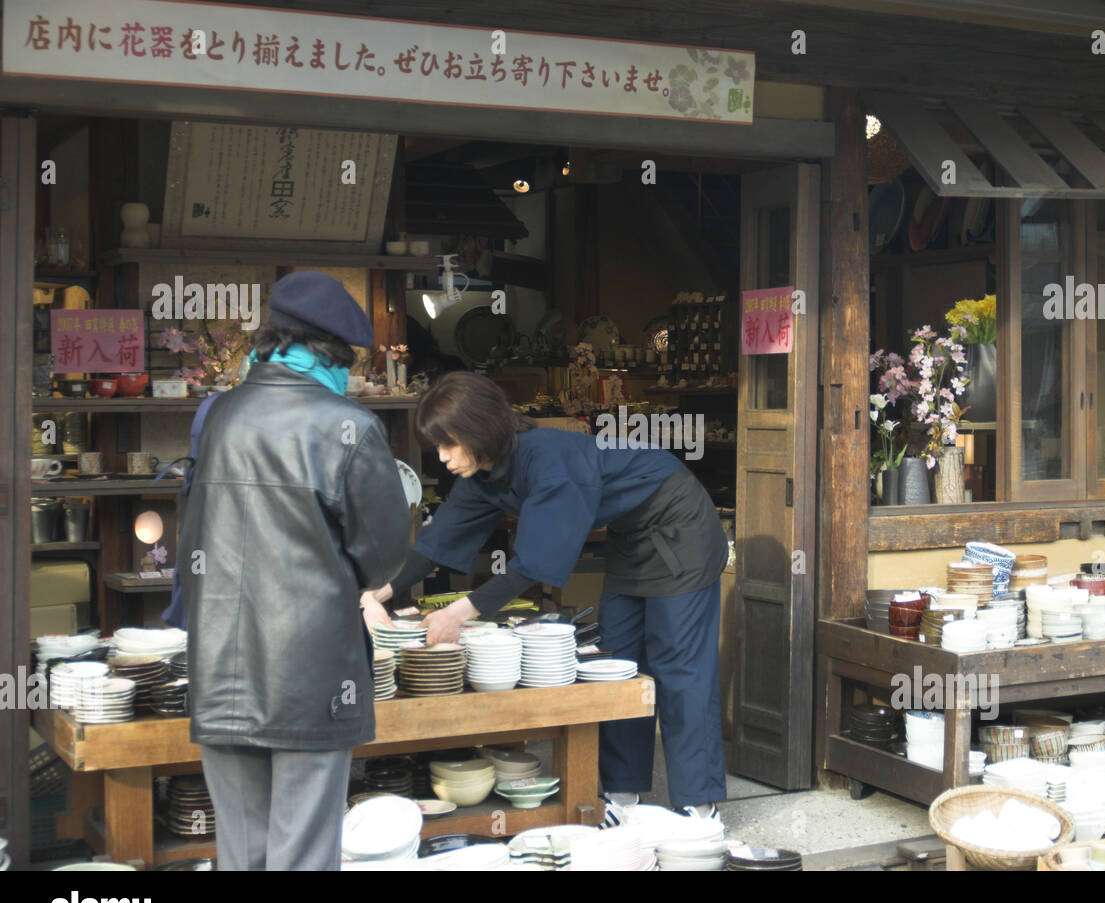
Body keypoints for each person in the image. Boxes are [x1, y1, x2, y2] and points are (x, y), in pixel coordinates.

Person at [360, 371, 729, 824]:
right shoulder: (486, 471)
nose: (443, 457)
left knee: (678, 663)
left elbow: (532, 565)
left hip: (679, 523)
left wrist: (461, 611)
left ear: (480, 432)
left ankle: (699, 804)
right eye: (438, 445)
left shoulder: (548, 459)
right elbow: (435, 544)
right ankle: (622, 795)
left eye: (449, 444)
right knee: (616, 664)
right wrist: (378, 591)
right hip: (631, 537)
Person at [179, 271, 414, 870]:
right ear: (336, 355)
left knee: (243, 852)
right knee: (303, 853)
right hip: (311, 679)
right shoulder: (350, 426)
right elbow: (383, 558)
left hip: (219, 672)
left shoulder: (217, 417)